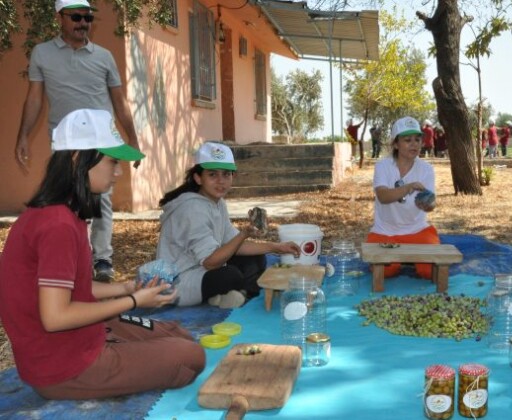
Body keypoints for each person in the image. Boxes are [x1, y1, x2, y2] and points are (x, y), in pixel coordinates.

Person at [0, 108, 205, 400]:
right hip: (64, 367)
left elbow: (69, 288)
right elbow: (55, 316)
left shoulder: (62, 214)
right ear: (77, 159)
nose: (119, 171)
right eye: (112, 162)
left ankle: (125, 351)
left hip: (79, 339)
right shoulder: (57, 224)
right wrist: (132, 301)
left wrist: (125, 287)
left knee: (178, 333)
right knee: (191, 354)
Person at [15, 0, 141, 282]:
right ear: (60, 17)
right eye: (76, 17)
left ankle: (102, 260)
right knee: (65, 200)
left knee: (101, 200)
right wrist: (22, 135)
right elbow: (34, 97)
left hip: (102, 141)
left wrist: (132, 137)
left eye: (87, 17)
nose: (83, 22)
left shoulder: (104, 56)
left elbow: (119, 101)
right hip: (65, 144)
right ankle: (74, 258)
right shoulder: (42, 53)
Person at [156, 142, 300, 308]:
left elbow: (235, 245)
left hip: (204, 269)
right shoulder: (192, 209)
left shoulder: (217, 203)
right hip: (180, 280)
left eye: (226, 174)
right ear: (198, 178)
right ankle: (233, 294)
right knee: (230, 276)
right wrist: (243, 234)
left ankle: (235, 296)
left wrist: (276, 247)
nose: (221, 181)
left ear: (233, 177)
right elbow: (210, 263)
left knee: (256, 258)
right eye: (212, 175)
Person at [366, 116, 439, 279]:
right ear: (396, 144)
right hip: (385, 231)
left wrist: (428, 205)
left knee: (430, 272)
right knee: (385, 271)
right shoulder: (383, 166)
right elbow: (383, 196)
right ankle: (405, 260)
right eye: (408, 140)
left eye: (418, 139)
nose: (414, 144)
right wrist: (408, 187)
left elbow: (431, 204)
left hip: (417, 229)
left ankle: (412, 259)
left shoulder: (426, 169)